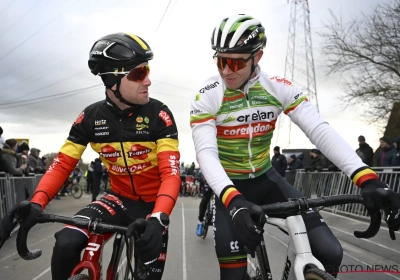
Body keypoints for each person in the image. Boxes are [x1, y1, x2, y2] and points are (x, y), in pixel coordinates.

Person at [189, 14, 400, 279]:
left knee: (330, 252)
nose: (226, 71)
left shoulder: (277, 87)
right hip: (229, 187)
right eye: (221, 61)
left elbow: (319, 130)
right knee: (233, 273)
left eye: (235, 62)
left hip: (268, 181)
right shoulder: (208, 94)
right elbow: (206, 152)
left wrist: (366, 178)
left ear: (257, 57)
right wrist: (232, 200)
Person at [0, 32, 181, 280]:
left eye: (147, 70)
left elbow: (170, 173)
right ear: (111, 80)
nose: (148, 81)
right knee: (66, 242)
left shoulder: (159, 114)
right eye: (139, 74)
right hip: (117, 200)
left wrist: (160, 216)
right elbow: (62, 165)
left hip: (154, 205)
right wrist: (36, 202)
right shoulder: (90, 117)